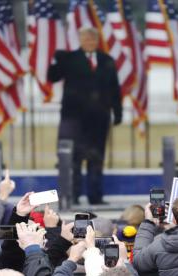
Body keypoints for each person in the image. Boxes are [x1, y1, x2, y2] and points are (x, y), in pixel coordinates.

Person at [48, 27, 123, 205]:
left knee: (96, 159)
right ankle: (72, 195)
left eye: (92, 39)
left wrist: (117, 112)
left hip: (99, 119)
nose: (89, 42)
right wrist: (55, 60)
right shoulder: (69, 59)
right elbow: (52, 77)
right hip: (73, 119)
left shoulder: (107, 61)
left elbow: (114, 89)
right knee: (73, 158)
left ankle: (95, 197)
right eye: (86, 39)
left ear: (97, 41)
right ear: (80, 41)